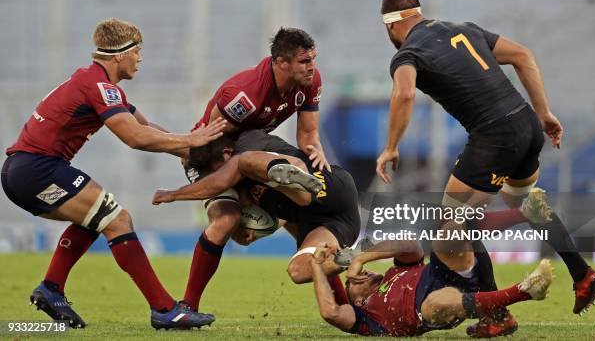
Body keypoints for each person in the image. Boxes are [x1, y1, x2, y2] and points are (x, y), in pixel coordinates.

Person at [374, 0, 595, 336]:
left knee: (453, 221)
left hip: (494, 137)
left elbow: (404, 93)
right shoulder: (464, 28)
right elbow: (523, 55)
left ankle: (497, 316)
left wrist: (391, 147)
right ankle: (582, 273)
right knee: (522, 201)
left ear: (391, 27)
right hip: (526, 125)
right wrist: (543, 113)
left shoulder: (409, 52)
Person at [1, 18, 226, 329]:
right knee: (116, 219)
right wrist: (191, 140)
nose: (141, 58)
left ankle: (51, 288)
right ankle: (164, 309)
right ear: (121, 54)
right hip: (36, 169)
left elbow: (146, 128)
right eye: (138, 51)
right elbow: (134, 138)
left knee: (96, 219)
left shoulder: (96, 84)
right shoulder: (99, 87)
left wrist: (191, 153)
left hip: (26, 170)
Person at [178, 27, 332, 315]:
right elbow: (215, 145)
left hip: (249, 157)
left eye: (313, 59)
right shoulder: (245, 94)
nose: (312, 67)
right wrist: (244, 193)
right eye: (303, 61)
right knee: (227, 221)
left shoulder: (311, 81)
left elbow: (309, 134)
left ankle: (344, 305)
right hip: (209, 158)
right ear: (281, 62)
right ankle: (187, 306)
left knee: (306, 221)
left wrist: (317, 154)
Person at [153, 129, 361, 309]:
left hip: (329, 188)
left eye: (214, 173)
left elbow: (221, 179)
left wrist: (174, 194)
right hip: (322, 223)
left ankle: (290, 175)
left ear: (225, 154)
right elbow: (245, 237)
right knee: (297, 271)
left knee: (245, 162)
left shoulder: (248, 142)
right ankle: (356, 257)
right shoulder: (242, 190)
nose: (215, 181)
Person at [309, 194, 555, 337]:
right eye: (354, 283)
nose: (363, 274)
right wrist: (318, 267)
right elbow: (331, 312)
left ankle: (523, 213)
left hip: (442, 272)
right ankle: (523, 291)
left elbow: (408, 243)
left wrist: (360, 257)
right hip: (428, 308)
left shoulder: (395, 270)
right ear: (357, 300)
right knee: (436, 303)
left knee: (450, 226)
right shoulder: (365, 317)